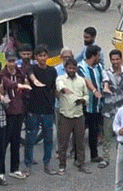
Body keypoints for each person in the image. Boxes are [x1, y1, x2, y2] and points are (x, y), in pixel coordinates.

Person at [25, 46, 58, 174]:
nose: (42, 58)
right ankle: (28, 165)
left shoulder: (52, 71)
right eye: (40, 56)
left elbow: (54, 88)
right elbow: (30, 75)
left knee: (48, 139)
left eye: (44, 55)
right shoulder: (32, 68)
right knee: (30, 139)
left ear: (47, 56)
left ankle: (47, 164)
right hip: (33, 109)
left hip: (48, 110)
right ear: (36, 57)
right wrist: (35, 81)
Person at [56, 58, 90, 173]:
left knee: (80, 142)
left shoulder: (81, 80)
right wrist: (64, 89)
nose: (71, 70)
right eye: (69, 68)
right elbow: (59, 86)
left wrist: (83, 100)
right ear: (65, 68)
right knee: (63, 142)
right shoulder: (61, 79)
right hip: (65, 115)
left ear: (76, 69)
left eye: (74, 68)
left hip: (79, 115)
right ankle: (62, 165)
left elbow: (87, 95)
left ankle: (81, 163)